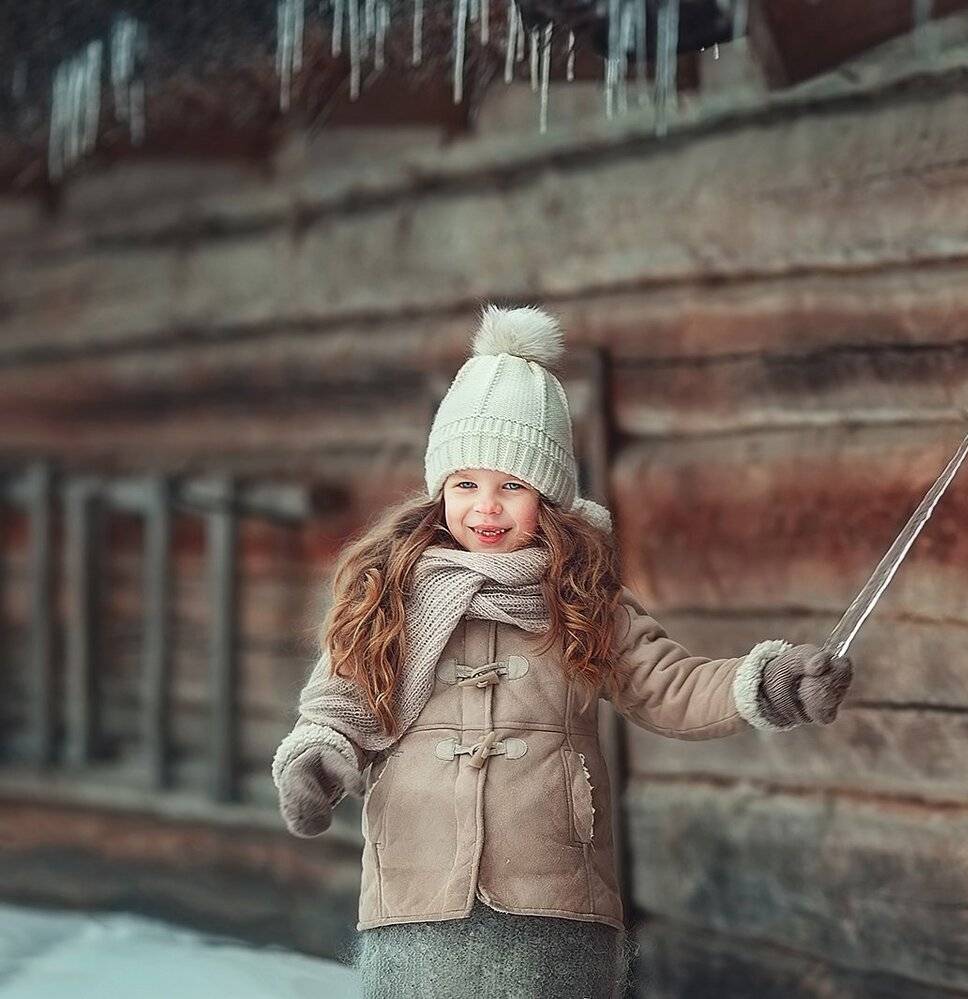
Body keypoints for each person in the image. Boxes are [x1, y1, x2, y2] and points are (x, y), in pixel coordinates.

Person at [269, 304, 855, 999]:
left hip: (553, 890)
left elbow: (669, 683)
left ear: (547, 496)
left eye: (511, 485)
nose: (486, 507)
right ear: (439, 489)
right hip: (415, 888)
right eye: (466, 484)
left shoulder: (583, 597)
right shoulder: (386, 595)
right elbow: (340, 701)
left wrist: (770, 682)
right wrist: (313, 760)